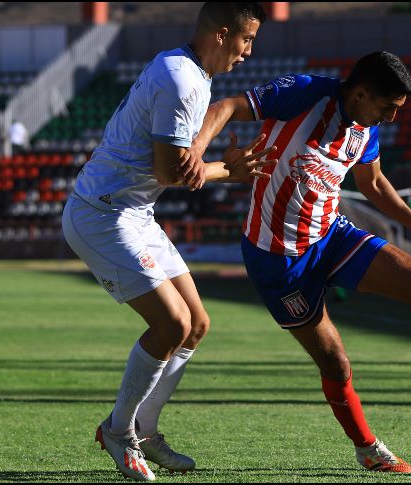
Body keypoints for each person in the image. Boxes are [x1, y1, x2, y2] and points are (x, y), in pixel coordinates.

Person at [190, 51, 411, 474]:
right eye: (388, 107)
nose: (391, 118)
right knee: (336, 363)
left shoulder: (366, 127)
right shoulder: (304, 94)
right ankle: (367, 448)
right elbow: (226, 106)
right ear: (360, 94)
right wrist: (195, 152)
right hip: (278, 260)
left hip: (332, 236)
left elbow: (373, 183)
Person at [61, 3, 273, 481]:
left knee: (196, 324)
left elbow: (176, 164)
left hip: (134, 212)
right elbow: (168, 173)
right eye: (246, 40)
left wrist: (205, 161)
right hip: (102, 214)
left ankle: (145, 430)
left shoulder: (186, 68)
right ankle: (118, 431)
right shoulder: (182, 80)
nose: (248, 52)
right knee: (172, 323)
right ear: (222, 34)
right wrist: (229, 171)